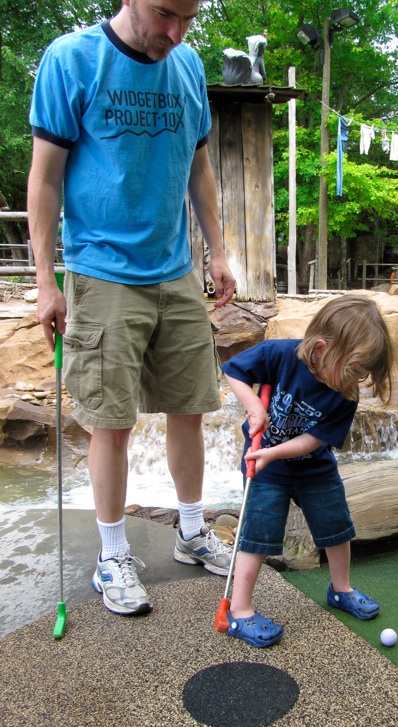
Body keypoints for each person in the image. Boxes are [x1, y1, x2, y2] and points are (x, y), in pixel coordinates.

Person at [27, 0, 237, 616]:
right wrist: (45, 281)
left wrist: (217, 251)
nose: (177, 33)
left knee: (190, 409)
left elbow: (199, 165)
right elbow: (43, 179)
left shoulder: (189, 65)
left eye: (190, 19)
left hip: (174, 271)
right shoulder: (72, 60)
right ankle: (112, 555)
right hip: (101, 272)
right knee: (111, 422)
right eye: (167, 14)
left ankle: (193, 532)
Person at [221, 295, 394, 648]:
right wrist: (253, 405)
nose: (356, 382)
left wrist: (274, 452)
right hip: (264, 467)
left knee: (337, 527)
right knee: (256, 534)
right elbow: (233, 371)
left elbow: (313, 441)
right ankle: (239, 611)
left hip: (313, 466)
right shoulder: (279, 354)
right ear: (320, 348)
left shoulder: (345, 394)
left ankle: (341, 589)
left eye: (361, 375)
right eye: (353, 370)